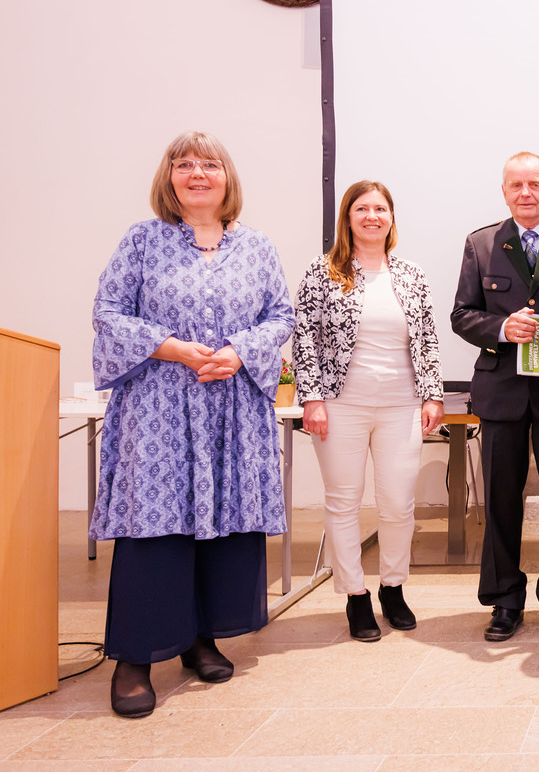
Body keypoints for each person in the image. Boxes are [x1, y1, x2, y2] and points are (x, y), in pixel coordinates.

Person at [90, 131, 295, 718]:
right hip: (158, 411)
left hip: (232, 409)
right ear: (169, 178)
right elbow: (108, 313)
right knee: (154, 527)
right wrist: (171, 347)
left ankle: (199, 638)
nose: (197, 173)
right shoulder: (143, 240)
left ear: (227, 178)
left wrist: (240, 351)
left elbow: (280, 315)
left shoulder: (256, 246)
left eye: (209, 164)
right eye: (185, 165)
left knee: (221, 523)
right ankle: (134, 657)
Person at [452, 151, 539, 641]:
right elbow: (462, 314)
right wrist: (500, 328)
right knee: (500, 500)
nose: (526, 193)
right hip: (501, 392)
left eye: (535, 184)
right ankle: (504, 600)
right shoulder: (481, 243)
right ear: (504, 192)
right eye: (516, 185)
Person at [293, 180, 444, 642]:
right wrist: (312, 398)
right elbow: (304, 337)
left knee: (398, 504)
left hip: (402, 405)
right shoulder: (322, 272)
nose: (372, 216)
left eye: (380, 208)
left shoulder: (411, 274)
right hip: (341, 406)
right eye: (362, 209)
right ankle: (355, 595)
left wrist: (433, 394)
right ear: (348, 217)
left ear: (391, 218)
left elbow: (428, 338)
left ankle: (392, 588)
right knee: (343, 502)